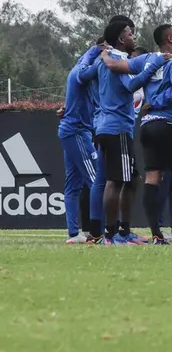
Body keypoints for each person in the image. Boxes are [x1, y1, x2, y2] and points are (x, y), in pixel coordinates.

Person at [104, 24, 172, 244]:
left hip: (146, 125)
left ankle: (156, 235)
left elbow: (116, 66)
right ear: (171, 38)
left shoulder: (146, 59)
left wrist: (105, 55)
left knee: (153, 177)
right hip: (169, 124)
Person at [95, 21, 169, 244]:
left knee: (130, 179)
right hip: (116, 126)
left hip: (111, 126)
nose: (134, 37)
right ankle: (112, 234)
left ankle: (123, 232)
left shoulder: (109, 59)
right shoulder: (117, 58)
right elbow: (130, 85)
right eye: (130, 33)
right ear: (120, 38)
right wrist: (153, 66)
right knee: (116, 181)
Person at [59, 39, 104, 244]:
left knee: (73, 184)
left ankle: (73, 234)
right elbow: (89, 69)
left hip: (73, 130)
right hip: (77, 132)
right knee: (96, 181)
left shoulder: (81, 69)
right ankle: (102, 232)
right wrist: (100, 52)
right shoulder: (81, 71)